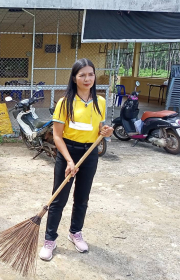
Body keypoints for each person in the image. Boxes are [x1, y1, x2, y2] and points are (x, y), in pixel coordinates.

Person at [39, 58, 113, 260]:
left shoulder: (101, 102)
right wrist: (69, 160)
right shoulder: (65, 103)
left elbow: (99, 129)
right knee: (58, 198)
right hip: (67, 154)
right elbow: (56, 136)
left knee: (82, 198)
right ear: (74, 78)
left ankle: (75, 232)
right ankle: (50, 239)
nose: (87, 78)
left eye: (90, 74)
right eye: (82, 75)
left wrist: (106, 131)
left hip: (90, 154)